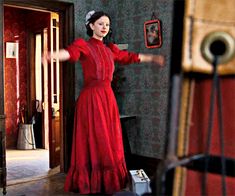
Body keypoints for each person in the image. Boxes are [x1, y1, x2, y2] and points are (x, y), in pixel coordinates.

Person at [43, 10, 164, 195]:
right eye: (100, 24)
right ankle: (91, 182)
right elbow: (70, 53)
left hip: (108, 99)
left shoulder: (111, 49)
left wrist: (151, 58)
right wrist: (53, 55)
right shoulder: (83, 45)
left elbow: (129, 57)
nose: (105, 27)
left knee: (110, 141)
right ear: (91, 26)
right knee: (95, 139)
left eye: (107, 24)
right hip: (91, 100)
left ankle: (107, 183)